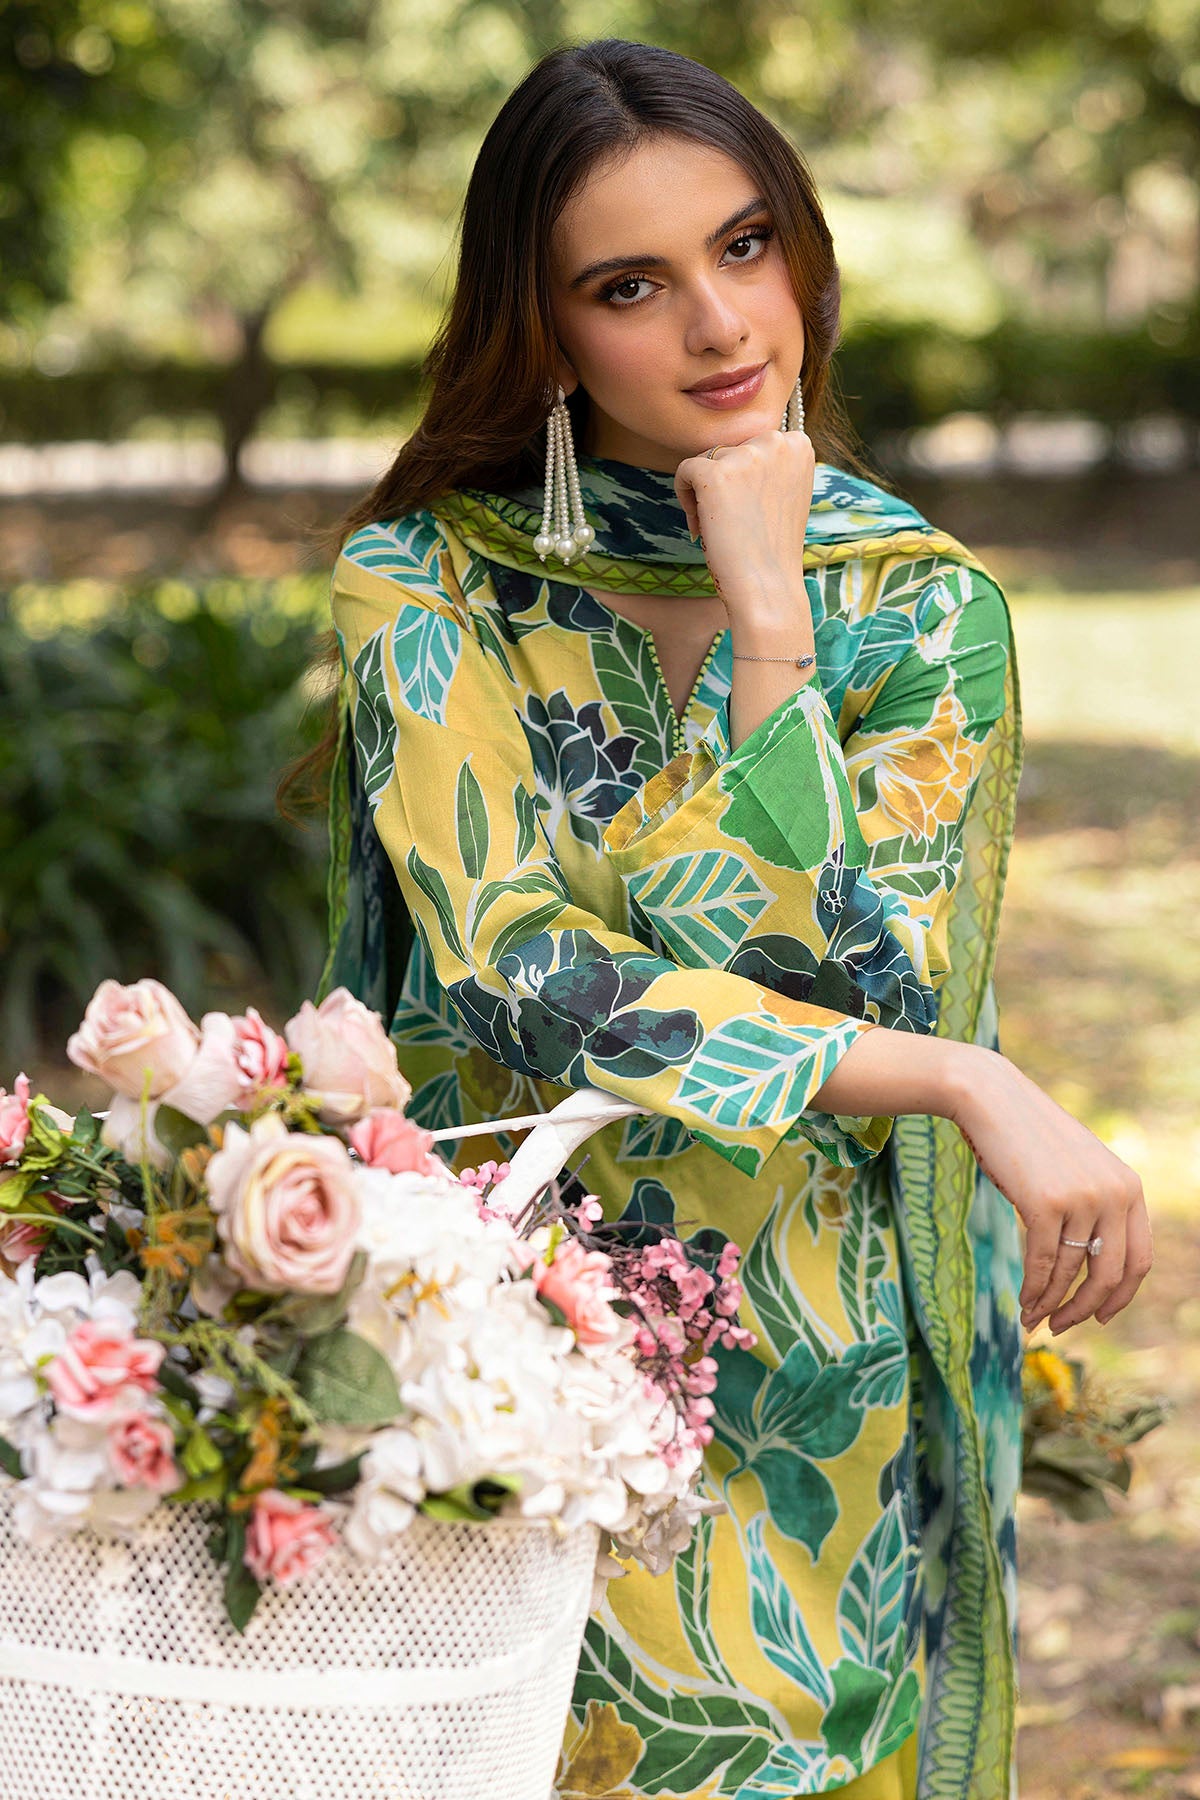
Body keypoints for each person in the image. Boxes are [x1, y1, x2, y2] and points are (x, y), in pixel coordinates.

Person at [282, 37, 1153, 1800]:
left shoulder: (921, 610)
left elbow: (855, 974)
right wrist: (968, 1080)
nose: (719, 324)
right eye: (630, 285)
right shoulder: (428, 585)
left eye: (746, 246)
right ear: (544, 331)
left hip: (818, 1364)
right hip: (507, 1346)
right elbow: (522, 976)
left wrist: (770, 621)